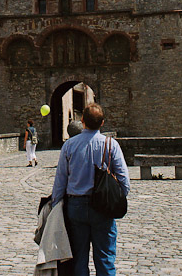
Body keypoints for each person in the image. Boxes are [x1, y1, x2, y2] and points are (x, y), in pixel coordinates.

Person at [51, 103, 130, 276]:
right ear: (102, 123)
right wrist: (115, 200)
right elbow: (125, 181)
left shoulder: (69, 145)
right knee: (105, 259)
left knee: (78, 258)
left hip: (76, 206)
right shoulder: (111, 145)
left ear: (82, 121)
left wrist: (55, 205)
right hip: (103, 207)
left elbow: (60, 180)